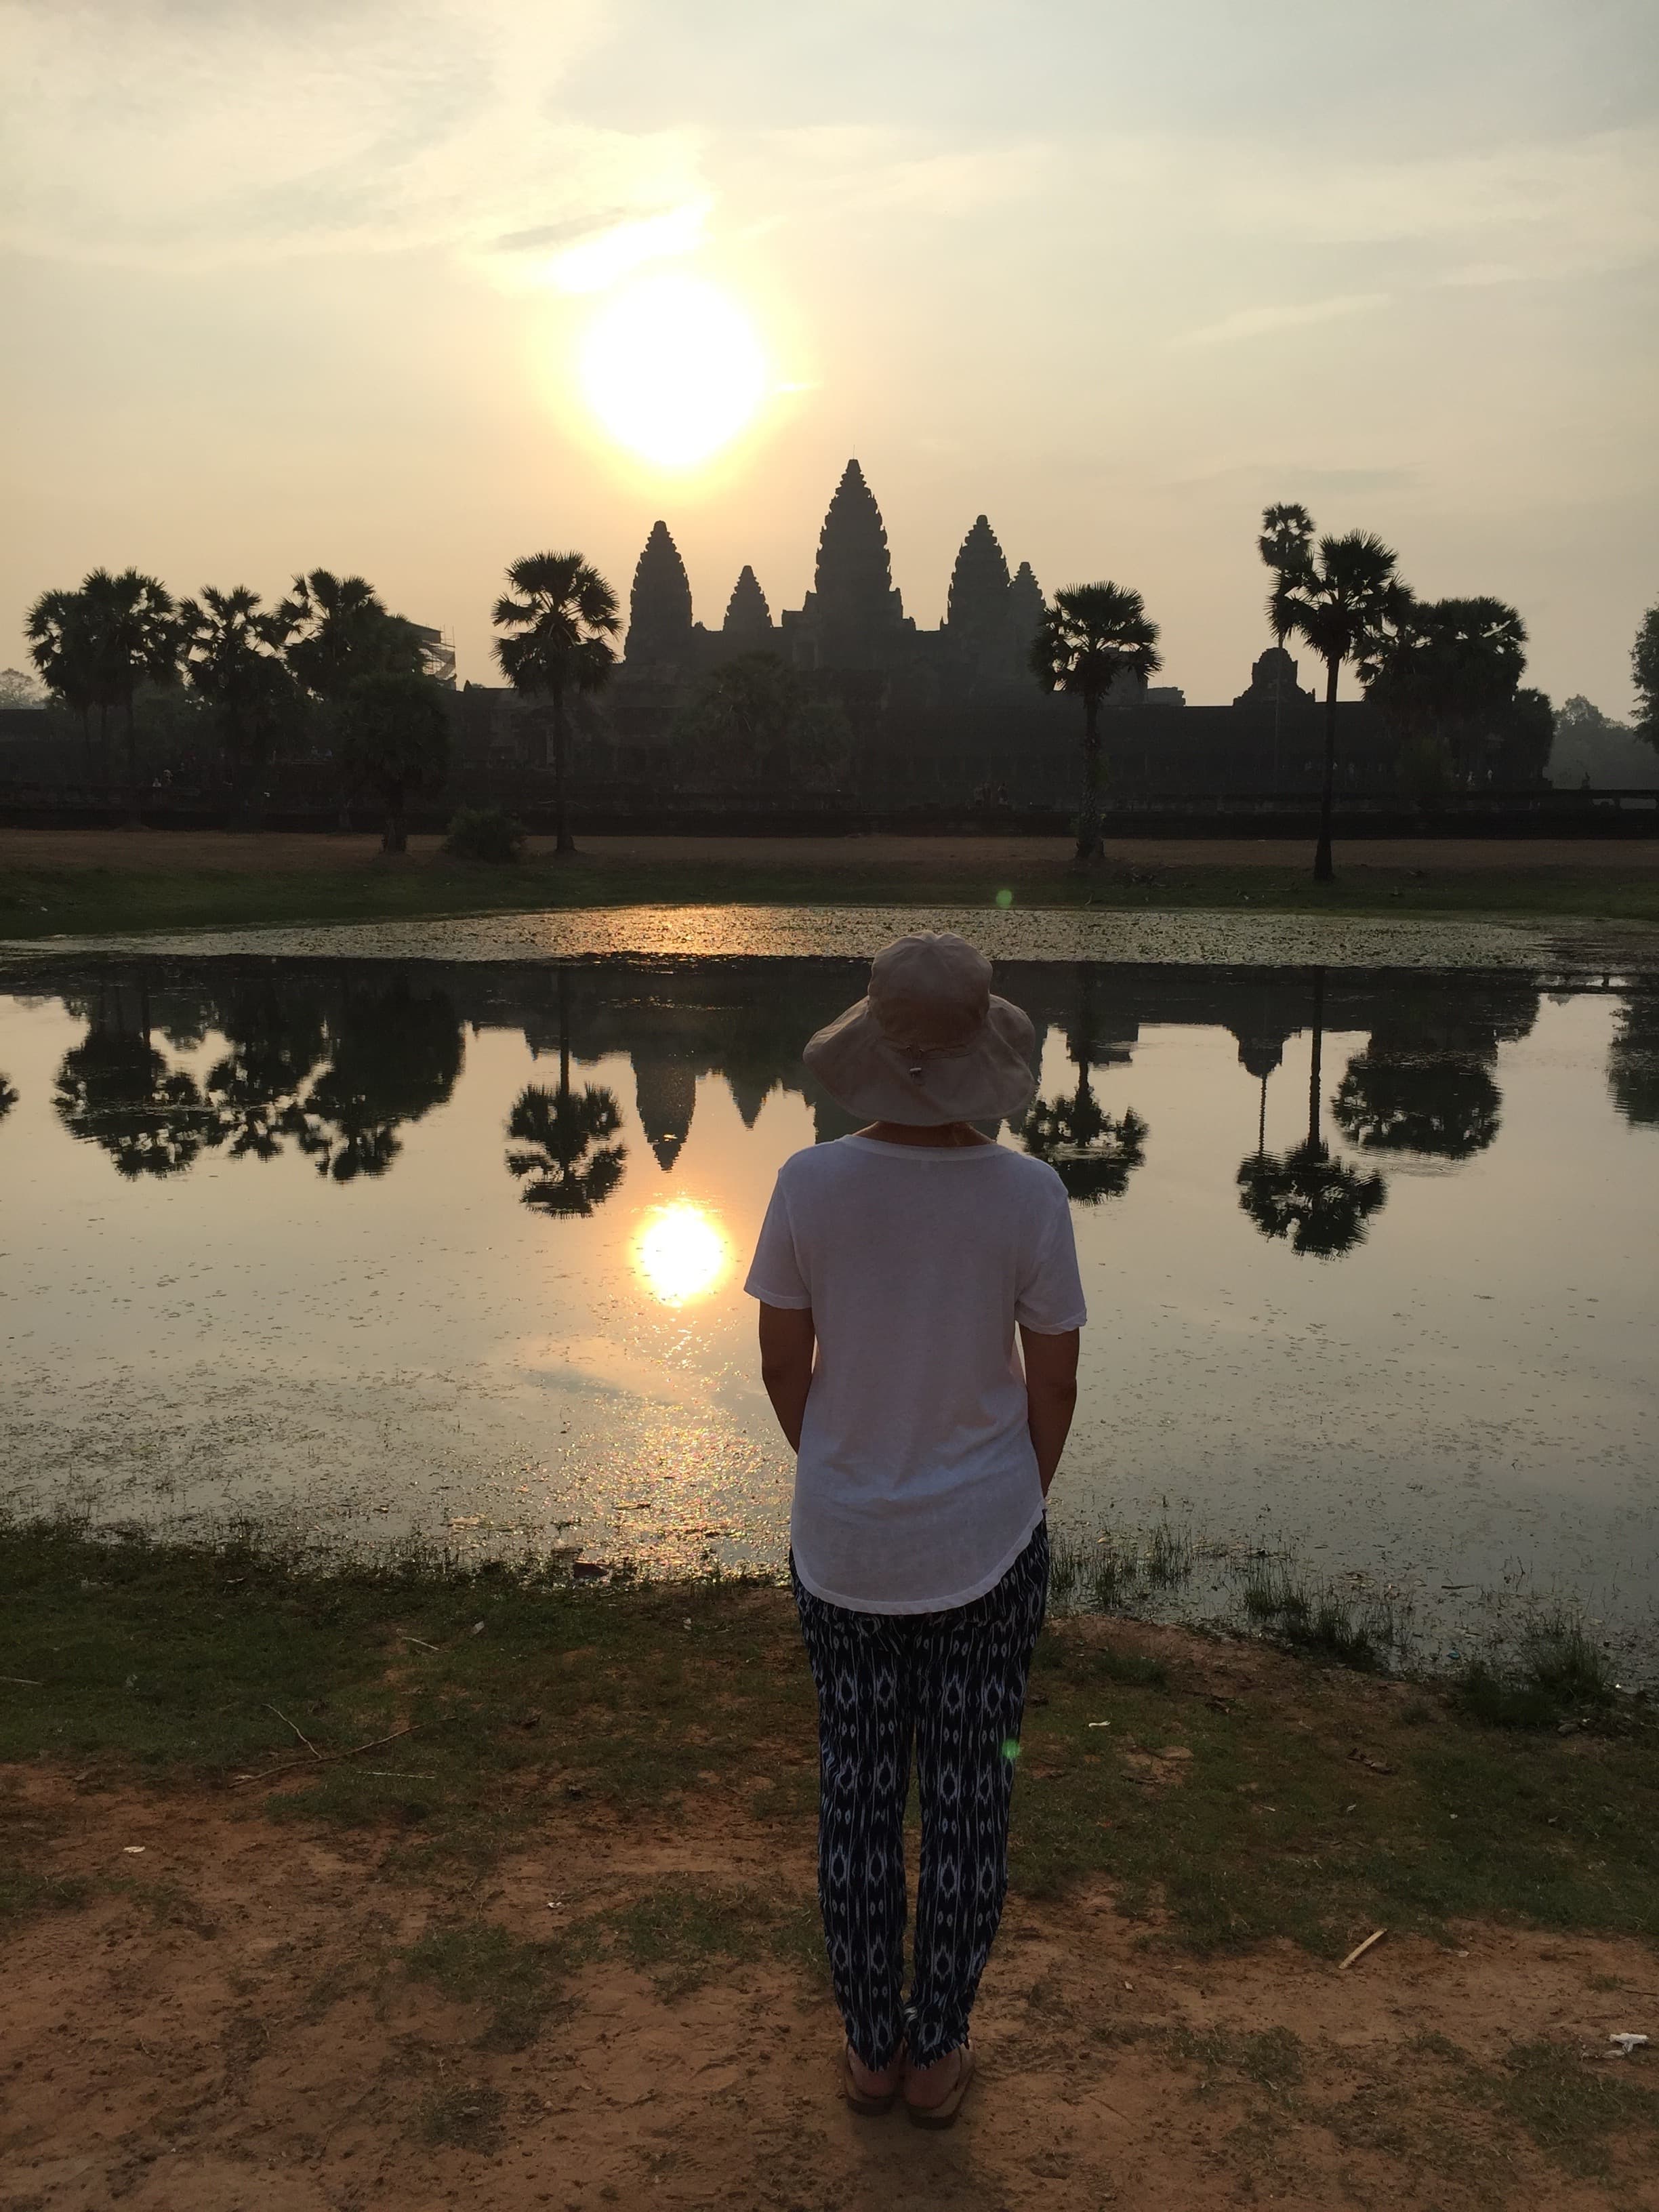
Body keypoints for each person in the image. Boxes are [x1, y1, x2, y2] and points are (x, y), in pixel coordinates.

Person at [744, 930, 1084, 2127]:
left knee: (857, 1787)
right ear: (988, 1054)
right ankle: (937, 2053)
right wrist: (1015, 1495)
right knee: (968, 1799)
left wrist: (845, 1470)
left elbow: (782, 1365)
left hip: (844, 1542)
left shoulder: (808, 1183)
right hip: (987, 1540)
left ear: (873, 1051)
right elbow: (1054, 1383)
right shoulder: (1029, 1195)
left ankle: (869, 2049)